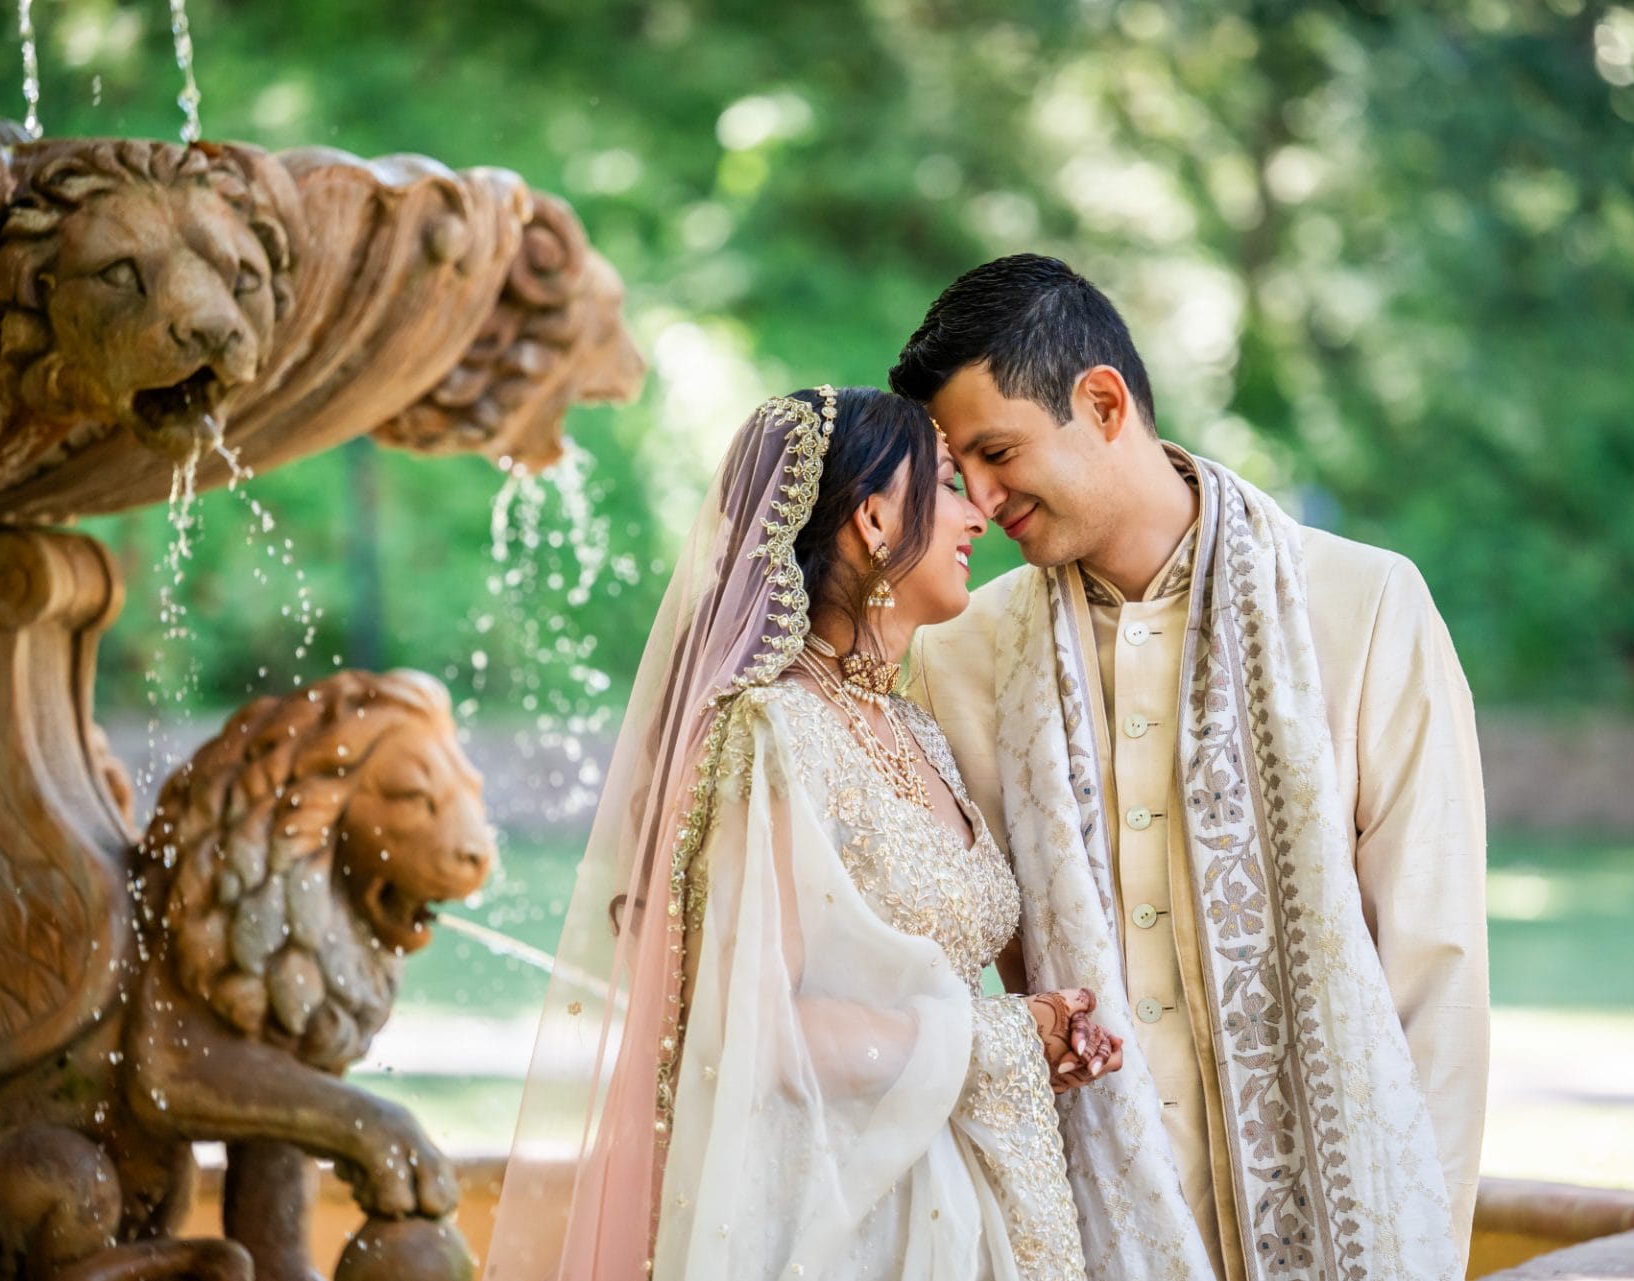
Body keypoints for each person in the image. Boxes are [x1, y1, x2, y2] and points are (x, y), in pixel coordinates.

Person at [892, 255, 1490, 1281]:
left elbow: (1435, 968)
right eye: (960, 471)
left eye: (997, 452)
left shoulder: (1364, 607)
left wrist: (1416, 1255)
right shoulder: (960, 658)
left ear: (1105, 402)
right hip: (1078, 1231)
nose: (979, 503)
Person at [486, 385, 1121, 1280]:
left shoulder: (913, 728)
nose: (977, 510)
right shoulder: (773, 733)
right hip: (850, 1224)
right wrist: (1005, 1036)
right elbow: (762, 1022)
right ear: (871, 520)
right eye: (943, 484)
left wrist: (1049, 1033)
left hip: (964, 1197)